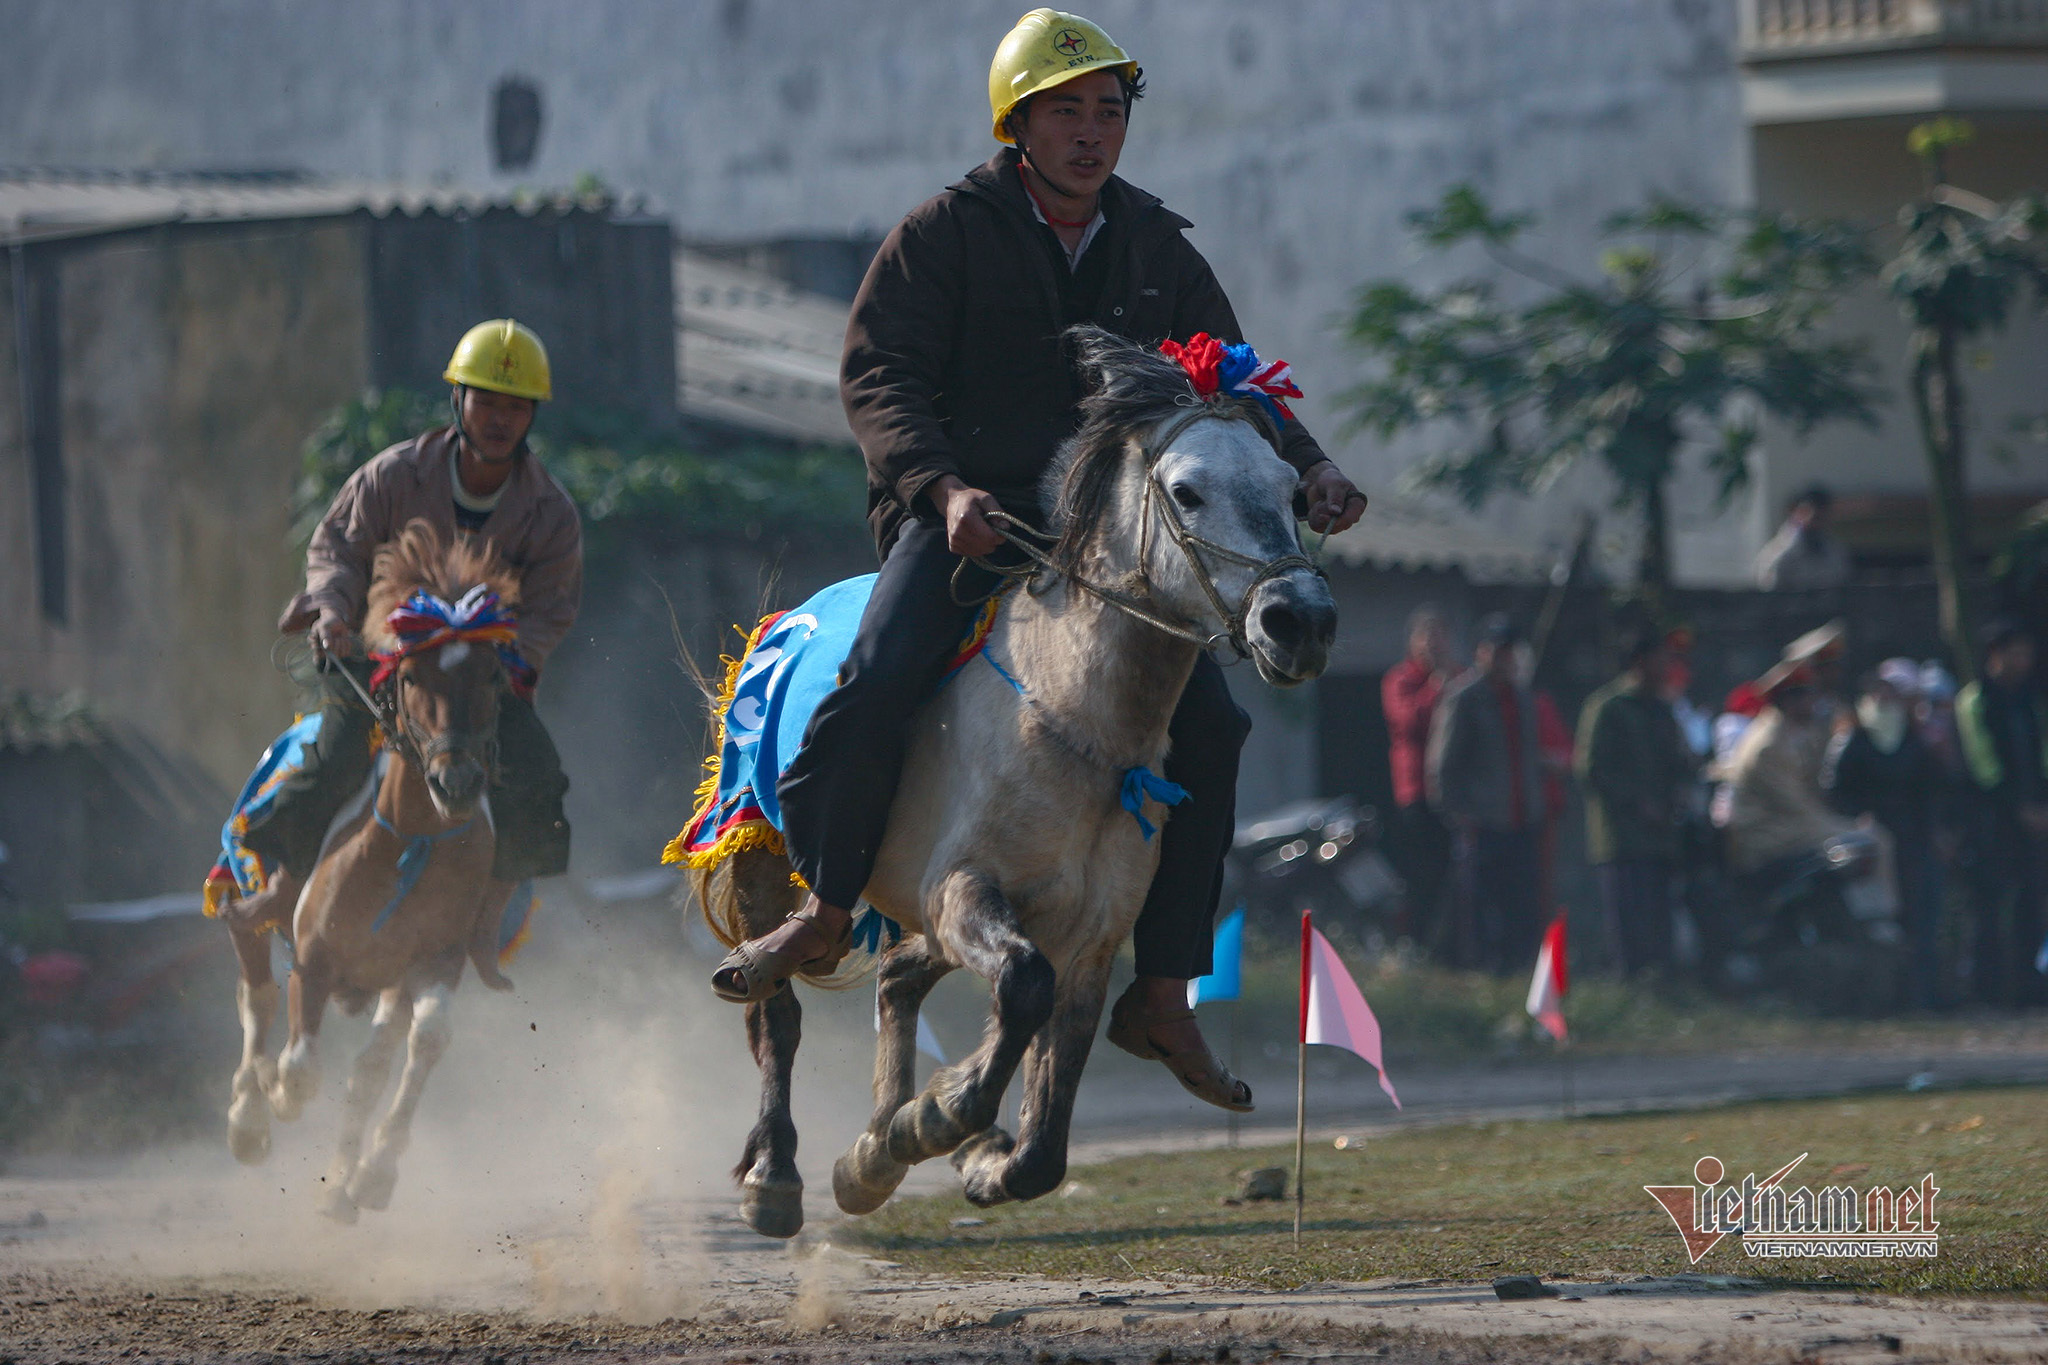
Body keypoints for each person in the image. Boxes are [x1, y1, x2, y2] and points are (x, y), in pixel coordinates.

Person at [705, 10, 1366, 1114]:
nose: (1092, 132)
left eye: (1108, 112)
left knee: (1215, 726)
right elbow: (878, 379)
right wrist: (941, 487)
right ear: (1017, 125)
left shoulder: (1157, 247)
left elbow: (1232, 388)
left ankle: (1160, 992)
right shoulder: (941, 234)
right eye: (1067, 111)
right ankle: (825, 905)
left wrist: (1310, 465)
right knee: (872, 680)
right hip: (973, 523)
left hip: (1111, 545)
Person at [228, 319, 581, 932]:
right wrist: (335, 614)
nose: (499, 419)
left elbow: (552, 607)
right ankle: (284, 886)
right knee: (336, 756)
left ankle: (490, 912)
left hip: (481, 675)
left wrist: (507, 659)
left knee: (537, 773)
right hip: (382, 660)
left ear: (532, 416)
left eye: (515, 407)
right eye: (486, 401)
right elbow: (336, 549)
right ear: (459, 401)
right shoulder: (392, 475)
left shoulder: (550, 512)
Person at [1426, 614, 1547, 974]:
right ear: (1483, 652)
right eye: (1499, 651)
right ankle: (1480, 971)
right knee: (1479, 906)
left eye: (1511, 652)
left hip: (1522, 817)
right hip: (1483, 820)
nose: (1506, 660)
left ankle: (1518, 969)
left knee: (1520, 902)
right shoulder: (1464, 698)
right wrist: (1458, 814)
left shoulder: (1523, 697)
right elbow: (1443, 766)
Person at [1824, 662, 1947, 1009]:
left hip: (1914, 842)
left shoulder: (1913, 740)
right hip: (1874, 849)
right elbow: (1836, 791)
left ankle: (1922, 997)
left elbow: (1931, 789)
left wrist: (1936, 832)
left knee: (1921, 920)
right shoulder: (1856, 740)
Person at [1576, 625, 1696, 977]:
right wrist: (1637, 803)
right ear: (1639, 662)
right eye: (1661, 658)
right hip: (1622, 836)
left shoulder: (1662, 708)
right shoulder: (1609, 706)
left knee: (1660, 918)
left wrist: (1681, 786)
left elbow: (1678, 763)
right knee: (1628, 921)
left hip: (1660, 837)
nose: (1667, 666)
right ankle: (1630, 986)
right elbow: (1592, 768)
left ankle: (1662, 984)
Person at [1955, 620, 2048, 1008]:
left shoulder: (2030, 700)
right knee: (1989, 904)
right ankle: (1987, 991)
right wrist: (2019, 807)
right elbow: (1984, 767)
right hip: (1990, 820)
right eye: (2016, 652)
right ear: (1995, 655)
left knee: (2032, 900)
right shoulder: (1976, 700)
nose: (2023, 660)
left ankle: (2028, 987)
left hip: (2035, 818)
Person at [1381, 604, 1456, 955]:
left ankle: (1450, 950)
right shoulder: (1400, 680)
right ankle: (1416, 944)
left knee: (1453, 877)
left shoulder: (1460, 678)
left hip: (1456, 795)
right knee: (1420, 874)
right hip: (1417, 792)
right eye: (1426, 638)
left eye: (1439, 638)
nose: (1433, 646)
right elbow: (1409, 721)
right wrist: (1436, 688)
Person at [1753, 485, 1851, 590]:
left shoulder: (1835, 550)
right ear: (1796, 512)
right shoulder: (1777, 555)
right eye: (1812, 514)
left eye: (1823, 515)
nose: (1817, 521)